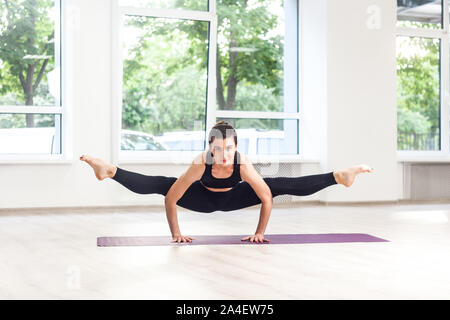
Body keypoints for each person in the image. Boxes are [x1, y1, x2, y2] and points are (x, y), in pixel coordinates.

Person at [80, 121, 373, 244]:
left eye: (229, 149)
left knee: (278, 184)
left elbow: (267, 197)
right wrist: (176, 235)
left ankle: (339, 176)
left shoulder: (242, 163)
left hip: (234, 198)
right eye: (218, 149)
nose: (223, 155)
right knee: (163, 183)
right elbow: (171, 198)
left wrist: (258, 233)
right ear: (210, 146)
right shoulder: (200, 163)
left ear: (236, 147)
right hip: (200, 199)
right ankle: (110, 170)